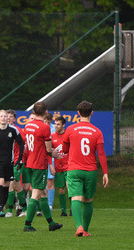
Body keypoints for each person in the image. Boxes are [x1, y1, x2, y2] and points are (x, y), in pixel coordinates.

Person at [61, 100, 109, 237]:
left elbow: (64, 149)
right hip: (90, 170)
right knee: (88, 200)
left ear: (78, 113)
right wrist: (105, 173)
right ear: (92, 113)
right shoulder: (97, 131)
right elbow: (101, 154)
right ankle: (86, 230)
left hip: (74, 169)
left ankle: (79, 227)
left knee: (76, 198)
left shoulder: (70, 129)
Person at [19, 102, 64, 232]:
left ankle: (51, 223)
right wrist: (54, 154)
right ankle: (27, 225)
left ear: (34, 112)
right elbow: (48, 149)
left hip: (30, 163)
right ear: (45, 112)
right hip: (39, 164)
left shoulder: (28, 125)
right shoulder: (45, 127)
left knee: (43, 193)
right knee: (36, 194)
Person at [0, 109, 25, 217]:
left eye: (5, 116)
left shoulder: (13, 130)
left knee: (7, 185)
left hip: (9, 162)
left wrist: (20, 159)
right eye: (1, 116)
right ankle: (0, 208)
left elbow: (21, 144)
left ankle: (3, 205)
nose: (3, 118)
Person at [50, 114, 70, 217]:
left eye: (58, 124)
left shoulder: (68, 135)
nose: (56, 126)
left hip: (69, 167)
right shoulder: (52, 136)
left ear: (63, 125)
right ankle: (63, 211)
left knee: (70, 188)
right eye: (55, 124)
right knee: (61, 189)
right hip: (58, 167)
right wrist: (51, 165)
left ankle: (73, 209)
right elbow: (49, 152)